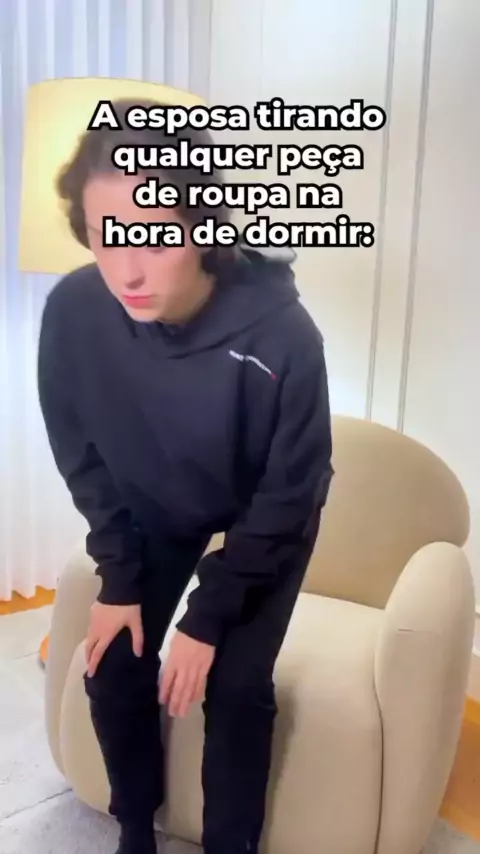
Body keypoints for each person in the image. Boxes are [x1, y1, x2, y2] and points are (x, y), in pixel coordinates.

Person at [37, 98, 333, 854]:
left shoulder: (283, 334)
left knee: (233, 686)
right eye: (106, 236)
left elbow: (290, 488)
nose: (127, 270)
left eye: (154, 235)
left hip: (266, 516)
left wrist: (210, 613)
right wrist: (119, 576)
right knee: (113, 664)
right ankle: (136, 828)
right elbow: (82, 455)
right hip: (157, 505)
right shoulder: (74, 312)